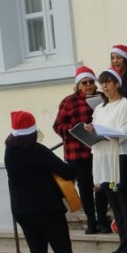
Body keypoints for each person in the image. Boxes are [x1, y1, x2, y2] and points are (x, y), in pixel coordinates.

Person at [4, 110, 98, 253]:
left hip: (22, 211)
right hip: (47, 210)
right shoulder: (37, 150)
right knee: (63, 252)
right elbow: (67, 171)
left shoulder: (9, 152)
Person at [90, 69, 127, 253]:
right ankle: (123, 240)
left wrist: (102, 130)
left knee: (124, 200)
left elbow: (124, 132)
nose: (104, 86)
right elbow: (96, 130)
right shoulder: (99, 109)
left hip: (120, 156)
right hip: (104, 157)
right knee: (113, 201)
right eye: (102, 83)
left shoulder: (126, 105)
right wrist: (90, 130)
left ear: (117, 84)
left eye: (108, 82)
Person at [52, 65, 101, 234]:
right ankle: (92, 221)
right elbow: (57, 125)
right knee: (85, 187)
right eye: (84, 82)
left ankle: (102, 219)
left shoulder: (101, 98)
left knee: (101, 185)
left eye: (91, 82)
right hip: (77, 152)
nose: (88, 85)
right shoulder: (68, 101)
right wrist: (76, 129)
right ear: (78, 85)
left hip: (98, 149)